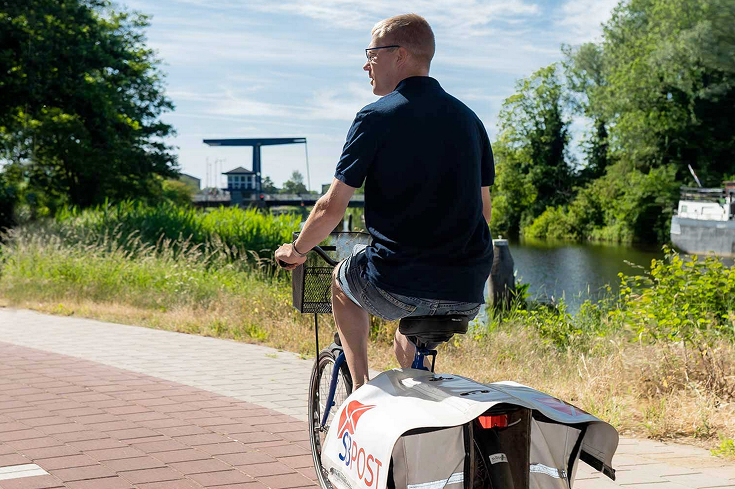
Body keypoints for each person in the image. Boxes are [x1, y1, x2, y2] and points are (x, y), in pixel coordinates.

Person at [275, 13, 494, 389]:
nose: (366, 65)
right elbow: (483, 214)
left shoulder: (375, 117)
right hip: (467, 287)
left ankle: (360, 392)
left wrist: (296, 250)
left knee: (341, 280)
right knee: (407, 339)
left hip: (398, 282)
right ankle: (420, 395)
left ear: (400, 55)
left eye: (371, 54)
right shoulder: (471, 121)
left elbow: (331, 208)